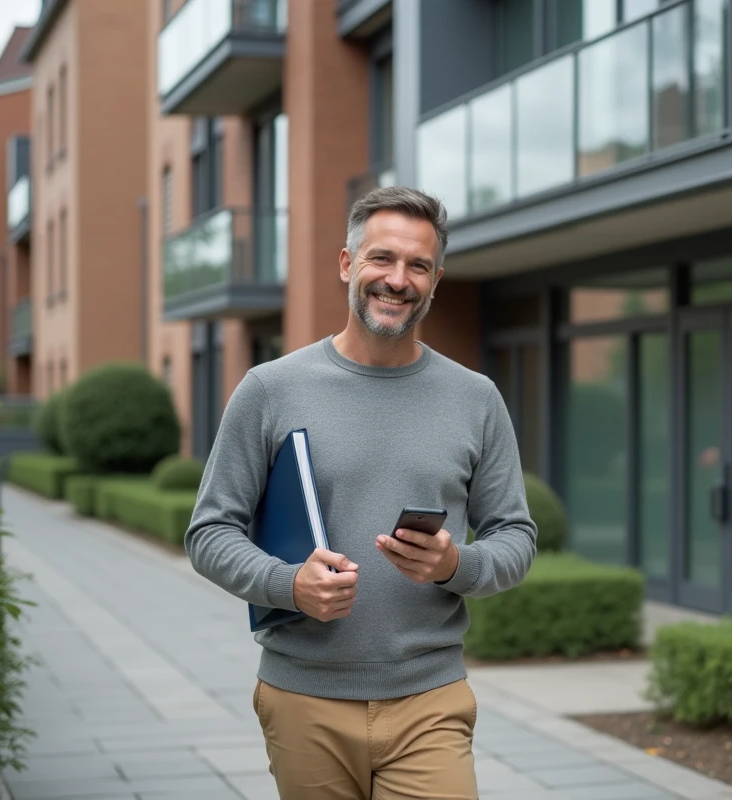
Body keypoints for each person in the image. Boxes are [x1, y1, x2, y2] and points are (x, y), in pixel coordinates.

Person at [184, 186, 538, 800]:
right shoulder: (270, 389)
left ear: (435, 280)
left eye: (418, 266)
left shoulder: (475, 398)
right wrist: (288, 584)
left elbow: (517, 537)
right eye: (382, 259)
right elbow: (209, 532)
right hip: (304, 697)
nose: (398, 279)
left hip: (430, 697)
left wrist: (457, 565)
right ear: (348, 264)